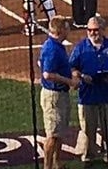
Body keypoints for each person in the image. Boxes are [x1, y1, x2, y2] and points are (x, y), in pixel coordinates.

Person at [71, 14, 108, 165]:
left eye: (95, 30)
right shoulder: (80, 48)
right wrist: (82, 76)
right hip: (87, 96)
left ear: (103, 30)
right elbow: (72, 68)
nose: (92, 33)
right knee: (88, 129)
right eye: (89, 30)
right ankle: (88, 155)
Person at [38, 17, 78, 169]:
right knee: (53, 135)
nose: (69, 31)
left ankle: (57, 163)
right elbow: (47, 74)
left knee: (59, 132)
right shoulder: (52, 49)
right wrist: (70, 82)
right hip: (53, 96)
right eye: (67, 28)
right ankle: (47, 167)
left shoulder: (55, 45)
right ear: (61, 31)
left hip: (59, 94)